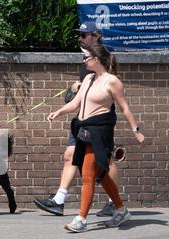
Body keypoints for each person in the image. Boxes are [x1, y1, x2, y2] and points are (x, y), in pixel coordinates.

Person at [47, 44, 145, 232]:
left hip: (100, 132)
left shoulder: (112, 81)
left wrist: (136, 130)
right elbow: (76, 104)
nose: (84, 61)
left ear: (96, 60)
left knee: (88, 174)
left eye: (87, 58)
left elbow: (124, 108)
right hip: (84, 131)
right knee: (100, 174)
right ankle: (121, 210)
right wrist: (58, 112)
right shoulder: (89, 79)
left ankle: (81, 219)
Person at [34, 21, 119, 217]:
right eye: (79, 35)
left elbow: (111, 86)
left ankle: (114, 203)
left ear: (96, 36)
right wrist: (73, 91)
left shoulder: (105, 57)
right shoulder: (85, 59)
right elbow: (80, 93)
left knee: (105, 160)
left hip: (98, 120)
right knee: (69, 155)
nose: (80, 38)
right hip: (81, 118)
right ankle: (59, 200)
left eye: (84, 35)